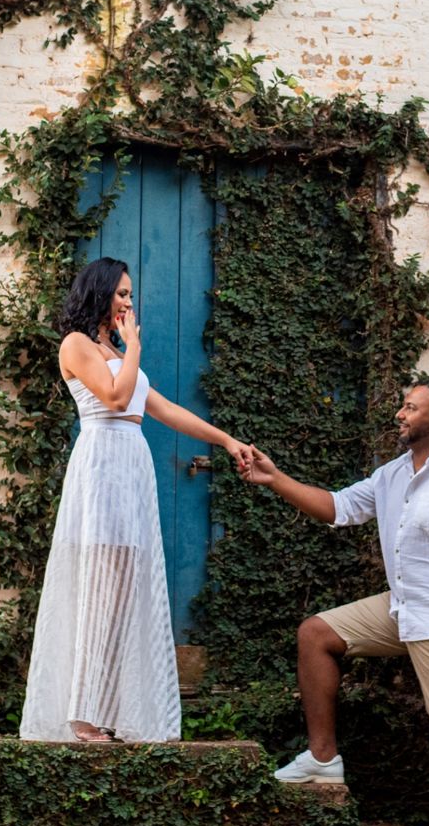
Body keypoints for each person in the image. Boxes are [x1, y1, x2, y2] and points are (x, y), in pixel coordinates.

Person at [240, 379, 429, 826]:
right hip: (401, 607)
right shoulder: (391, 475)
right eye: (402, 405)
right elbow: (339, 508)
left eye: (411, 408)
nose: (400, 415)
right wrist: (274, 479)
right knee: (316, 634)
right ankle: (322, 758)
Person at [18, 257, 254, 743]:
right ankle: (81, 714)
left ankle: (108, 709)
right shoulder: (78, 345)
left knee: (123, 595)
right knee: (99, 590)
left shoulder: (111, 347)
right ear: (100, 292)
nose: (129, 302)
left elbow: (162, 409)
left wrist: (227, 441)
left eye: (130, 294)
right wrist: (135, 348)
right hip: (102, 467)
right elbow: (115, 398)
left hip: (131, 470)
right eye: (121, 293)